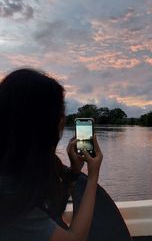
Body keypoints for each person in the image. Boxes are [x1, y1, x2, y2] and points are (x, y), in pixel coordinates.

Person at [0, 68, 131, 241]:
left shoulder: (15, 171)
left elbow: (50, 212)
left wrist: (74, 173)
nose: (63, 120)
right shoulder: (9, 200)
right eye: (60, 114)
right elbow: (75, 239)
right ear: (44, 126)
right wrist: (93, 175)